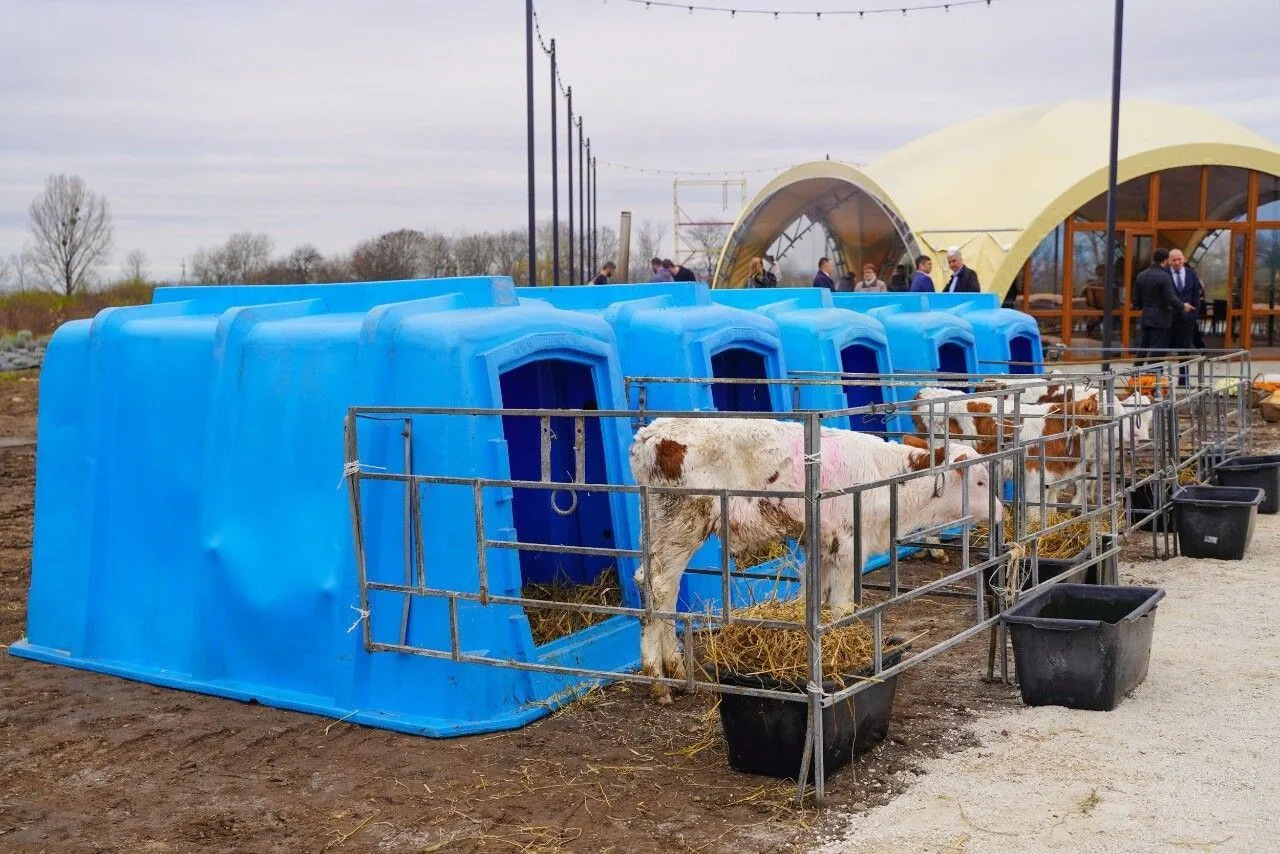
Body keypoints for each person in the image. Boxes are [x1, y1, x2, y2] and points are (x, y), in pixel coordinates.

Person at [1134, 247, 1195, 365]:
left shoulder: (1141, 275)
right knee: (1157, 353)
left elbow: (1137, 302)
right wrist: (1183, 306)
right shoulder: (1164, 276)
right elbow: (1171, 298)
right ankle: (1152, 379)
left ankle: (1133, 377)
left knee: (1143, 349)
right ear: (1166, 260)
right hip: (1160, 320)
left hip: (1146, 317)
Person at [1168, 247, 1205, 380]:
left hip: (1187, 319)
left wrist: (1194, 315)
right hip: (1169, 320)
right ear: (1169, 261)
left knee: (1184, 350)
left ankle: (1184, 380)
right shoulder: (1165, 274)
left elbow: (1196, 296)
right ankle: (1162, 382)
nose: (1177, 262)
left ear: (1184, 259)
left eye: (1179, 259)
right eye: (1174, 260)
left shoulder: (1191, 274)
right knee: (1164, 350)